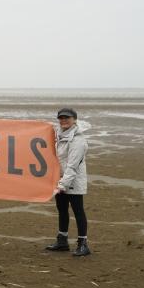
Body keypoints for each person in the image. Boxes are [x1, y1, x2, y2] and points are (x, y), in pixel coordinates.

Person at [45, 107, 90, 256]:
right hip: (60, 179)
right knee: (62, 210)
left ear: (74, 120)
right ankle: (62, 241)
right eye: (61, 118)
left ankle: (83, 244)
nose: (64, 120)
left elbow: (72, 166)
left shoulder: (78, 141)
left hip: (74, 181)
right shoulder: (58, 135)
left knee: (78, 211)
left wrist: (62, 185)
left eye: (67, 118)